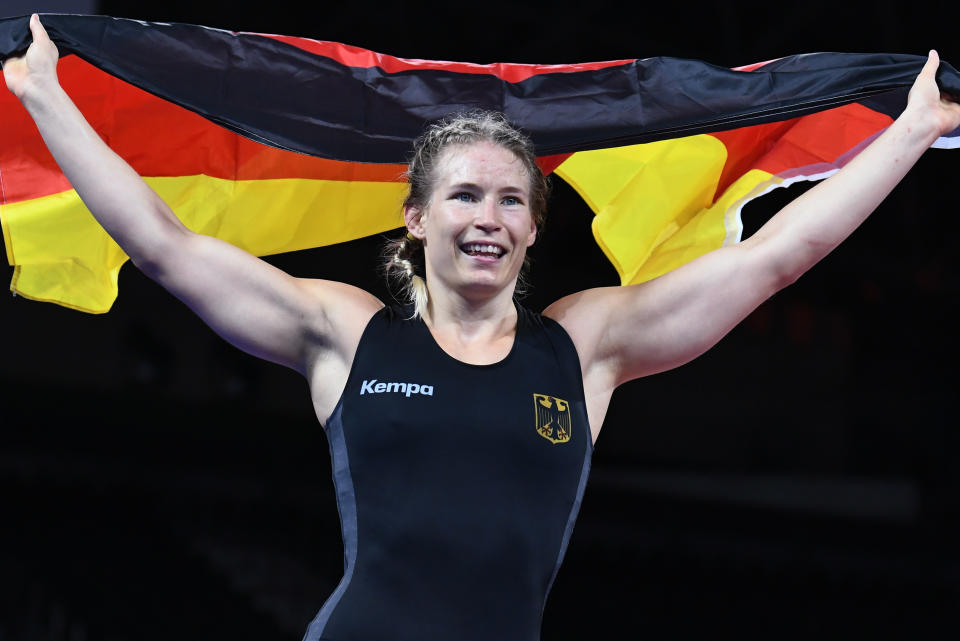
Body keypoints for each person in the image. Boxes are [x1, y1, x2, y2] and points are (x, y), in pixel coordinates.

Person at [4, 13, 960, 641]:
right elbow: (165, 245)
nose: (487, 217)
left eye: (511, 199)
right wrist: (45, 93)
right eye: (463, 195)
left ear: (534, 226)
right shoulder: (347, 333)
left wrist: (913, 128)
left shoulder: (586, 345)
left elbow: (772, 259)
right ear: (416, 217)